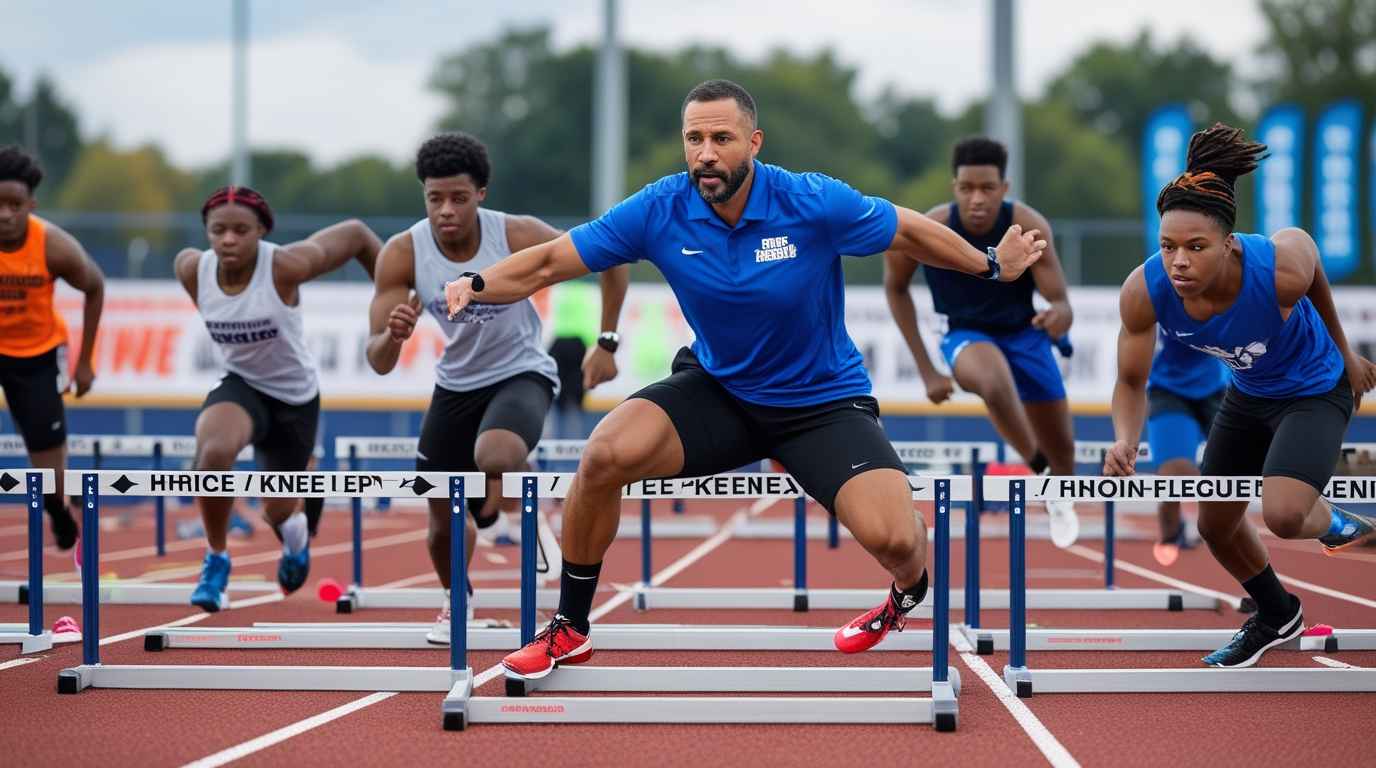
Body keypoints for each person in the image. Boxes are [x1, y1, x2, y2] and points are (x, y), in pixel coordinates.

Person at [444, 79, 1045, 679]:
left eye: (722, 138)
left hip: (821, 404)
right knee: (603, 454)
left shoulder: (810, 201)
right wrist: (476, 283)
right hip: (719, 391)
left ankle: (907, 591)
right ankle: (570, 627)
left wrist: (991, 265)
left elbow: (909, 231)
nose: (706, 152)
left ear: (753, 143)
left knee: (896, 541)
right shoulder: (660, 208)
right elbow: (553, 260)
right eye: (695, 139)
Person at [1104, 123, 1376, 668]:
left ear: (1228, 245)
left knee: (1281, 513)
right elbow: (1131, 381)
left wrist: (1346, 354)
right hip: (1248, 393)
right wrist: (1125, 440)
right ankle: (1278, 614)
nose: (1178, 261)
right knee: (1214, 525)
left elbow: (1310, 254)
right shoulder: (1146, 289)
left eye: (1195, 247)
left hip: (1316, 389)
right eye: (1167, 246)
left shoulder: (1277, 270)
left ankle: (1337, 522)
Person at [366, 132, 627, 644]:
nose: (446, 210)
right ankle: (455, 600)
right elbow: (377, 362)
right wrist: (392, 335)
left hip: (521, 372)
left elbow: (611, 259)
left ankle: (520, 510)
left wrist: (608, 343)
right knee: (442, 518)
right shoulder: (403, 253)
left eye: (458, 198)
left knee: (497, 452)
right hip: (456, 385)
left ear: (481, 193)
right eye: (434, 198)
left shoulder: (514, 235)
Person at [176, 186, 380, 612]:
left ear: (262, 231)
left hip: (294, 398)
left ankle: (296, 542)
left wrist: (393, 293)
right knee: (211, 455)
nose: (228, 240)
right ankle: (216, 559)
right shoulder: (192, 269)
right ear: (206, 233)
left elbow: (359, 235)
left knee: (277, 511)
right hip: (242, 386)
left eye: (241, 230)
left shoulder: (284, 265)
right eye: (218, 231)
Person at [883, 137, 1079, 547]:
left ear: (1004, 188)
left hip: (1026, 335)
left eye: (987, 189)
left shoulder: (1029, 226)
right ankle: (1038, 467)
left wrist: (1058, 317)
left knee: (1067, 460)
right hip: (964, 334)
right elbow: (896, 288)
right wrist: (926, 369)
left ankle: (1055, 485)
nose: (977, 199)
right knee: (991, 378)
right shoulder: (929, 228)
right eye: (967, 188)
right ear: (954, 186)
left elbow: (1060, 301)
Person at [0, 145, 104, 551]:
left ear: (31, 204)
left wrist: (85, 363)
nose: (5, 215)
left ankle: (56, 506)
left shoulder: (53, 246)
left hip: (35, 353)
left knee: (45, 450)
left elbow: (95, 287)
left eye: (15, 205)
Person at [1143, 327, 1230, 566]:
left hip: (1218, 387)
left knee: (1235, 473)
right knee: (1174, 476)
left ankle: (1250, 567)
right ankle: (1172, 532)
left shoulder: (1231, 296)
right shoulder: (1157, 296)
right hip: (1169, 390)